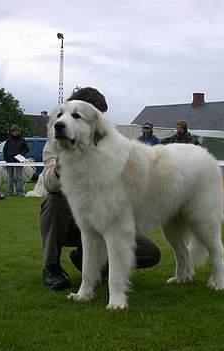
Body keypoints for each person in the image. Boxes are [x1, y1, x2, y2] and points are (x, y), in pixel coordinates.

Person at [40, 87, 161, 290]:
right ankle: (51, 267)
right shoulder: (54, 142)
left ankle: (93, 261)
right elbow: (49, 184)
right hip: (70, 221)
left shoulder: (109, 141)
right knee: (54, 202)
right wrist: (65, 160)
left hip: (105, 217)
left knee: (149, 253)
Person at [3, 124, 29, 196]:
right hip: (10, 161)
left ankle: (20, 192)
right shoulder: (8, 140)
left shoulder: (22, 140)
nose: (15, 132)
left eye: (16, 131)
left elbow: (27, 149)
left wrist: (21, 155)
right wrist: (6, 158)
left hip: (18, 161)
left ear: (18, 131)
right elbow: (4, 150)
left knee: (19, 177)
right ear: (11, 132)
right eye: (13, 131)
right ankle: (10, 192)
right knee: (10, 177)